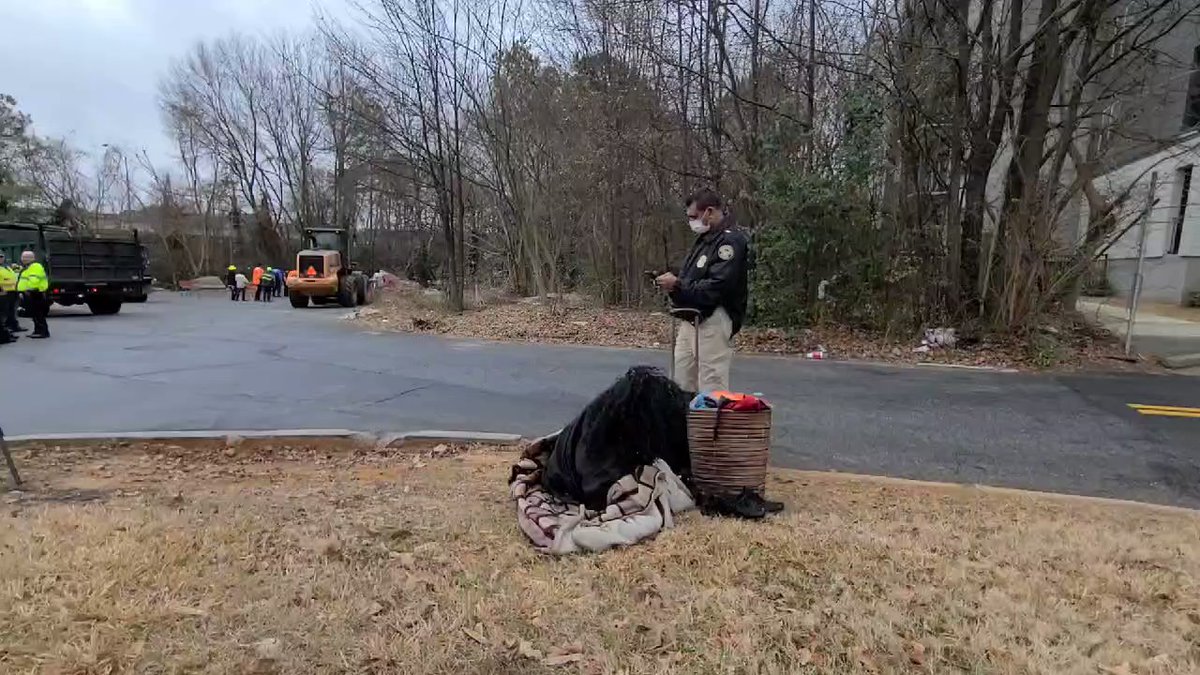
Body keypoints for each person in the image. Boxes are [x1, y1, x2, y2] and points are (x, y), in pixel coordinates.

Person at [655, 189, 749, 392]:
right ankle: (685, 423)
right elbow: (692, 278)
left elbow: (717, 286)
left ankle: (710, 423)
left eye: (693, 217)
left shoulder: (730, 242)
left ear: (709, 212)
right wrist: (674, 283)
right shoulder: (705, 240)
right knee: (680, 383)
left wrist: (678, 285)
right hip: (690, 319)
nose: (691, 222)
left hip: (713, 319)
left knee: (711, 384)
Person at [17, 250, 50, 339]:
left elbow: (34, 280)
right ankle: (37, 330)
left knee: (38, 313)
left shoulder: (35, 267)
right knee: (35, 314)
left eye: (25, 257)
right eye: (23, 257)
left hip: (35, 293)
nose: (23, 259)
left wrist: (28, 290)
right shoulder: (28, 267)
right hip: (32, 293)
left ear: (31, 258)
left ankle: (42, 332)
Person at [0, 253, 21, 336]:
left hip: (12, 291)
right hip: (3, 292)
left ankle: (12, 327)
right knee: (4, 312)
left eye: (1, 257)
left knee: (12, 310)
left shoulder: (7, 267)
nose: (0, 259)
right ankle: (5, 331)